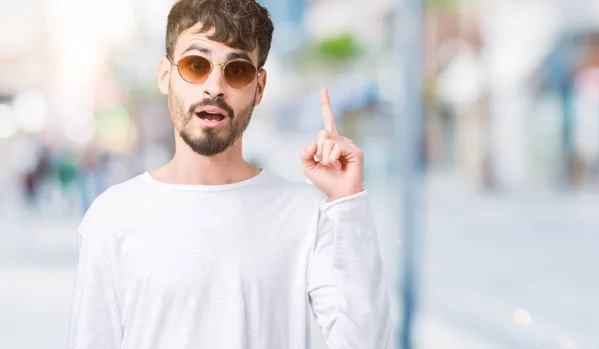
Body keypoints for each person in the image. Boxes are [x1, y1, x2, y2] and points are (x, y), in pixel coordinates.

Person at [68, 0, 392, 348]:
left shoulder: (306, 214)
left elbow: (367, 343)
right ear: (166, 75)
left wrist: (347, 204)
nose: (215, 86)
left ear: (260, 87)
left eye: (236, 70)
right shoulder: (113, 215)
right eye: (196, 65)